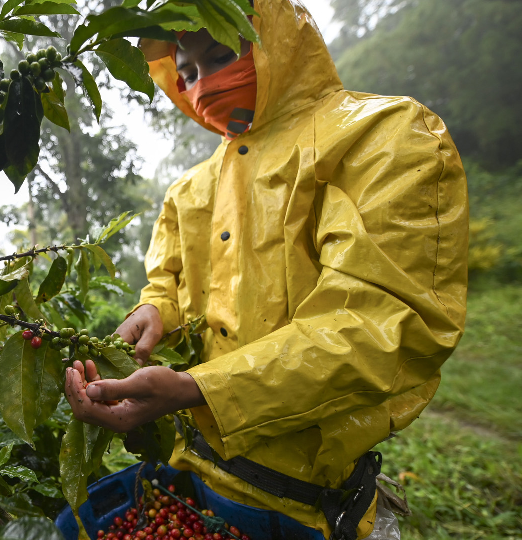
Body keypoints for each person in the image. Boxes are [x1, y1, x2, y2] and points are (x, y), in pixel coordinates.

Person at [63, 1, 468, 539]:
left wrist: (198, 390)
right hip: (200, 472)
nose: (203, 84)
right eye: (186, 74)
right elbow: (173, 280)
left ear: (275, 42)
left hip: (311, 503)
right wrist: (154, 310)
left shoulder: (383, 138)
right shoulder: (190, 191)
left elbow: (380, 327)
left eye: (221, 55)